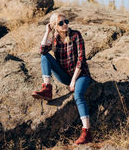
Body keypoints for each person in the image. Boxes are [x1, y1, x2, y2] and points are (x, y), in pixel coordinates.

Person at [32, 12, 93, 145]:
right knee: (45, 56)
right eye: (61, 23)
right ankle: (47, 88)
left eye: (66, 21)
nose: (65, 24)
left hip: (81, 75)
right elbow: (42, 51)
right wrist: (47, 32)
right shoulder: (54, 39)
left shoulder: (76, 35)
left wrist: (73, 81)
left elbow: (81, 60)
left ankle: (87, 132)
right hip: (65, 75)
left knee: (78, 95)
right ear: (55, 26)